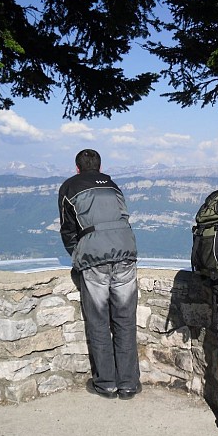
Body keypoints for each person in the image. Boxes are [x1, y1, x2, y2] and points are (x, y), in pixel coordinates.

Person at [58, 149, 141, 400]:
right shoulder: (113, 185)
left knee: (98, 321)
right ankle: (128, 384)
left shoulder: (69, 187)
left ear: (77, 168)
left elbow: (67, 229)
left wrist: (78, 253)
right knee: (125, 321)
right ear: (100, 166)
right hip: (126, 251)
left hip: (94, 257)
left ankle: (106, 383)